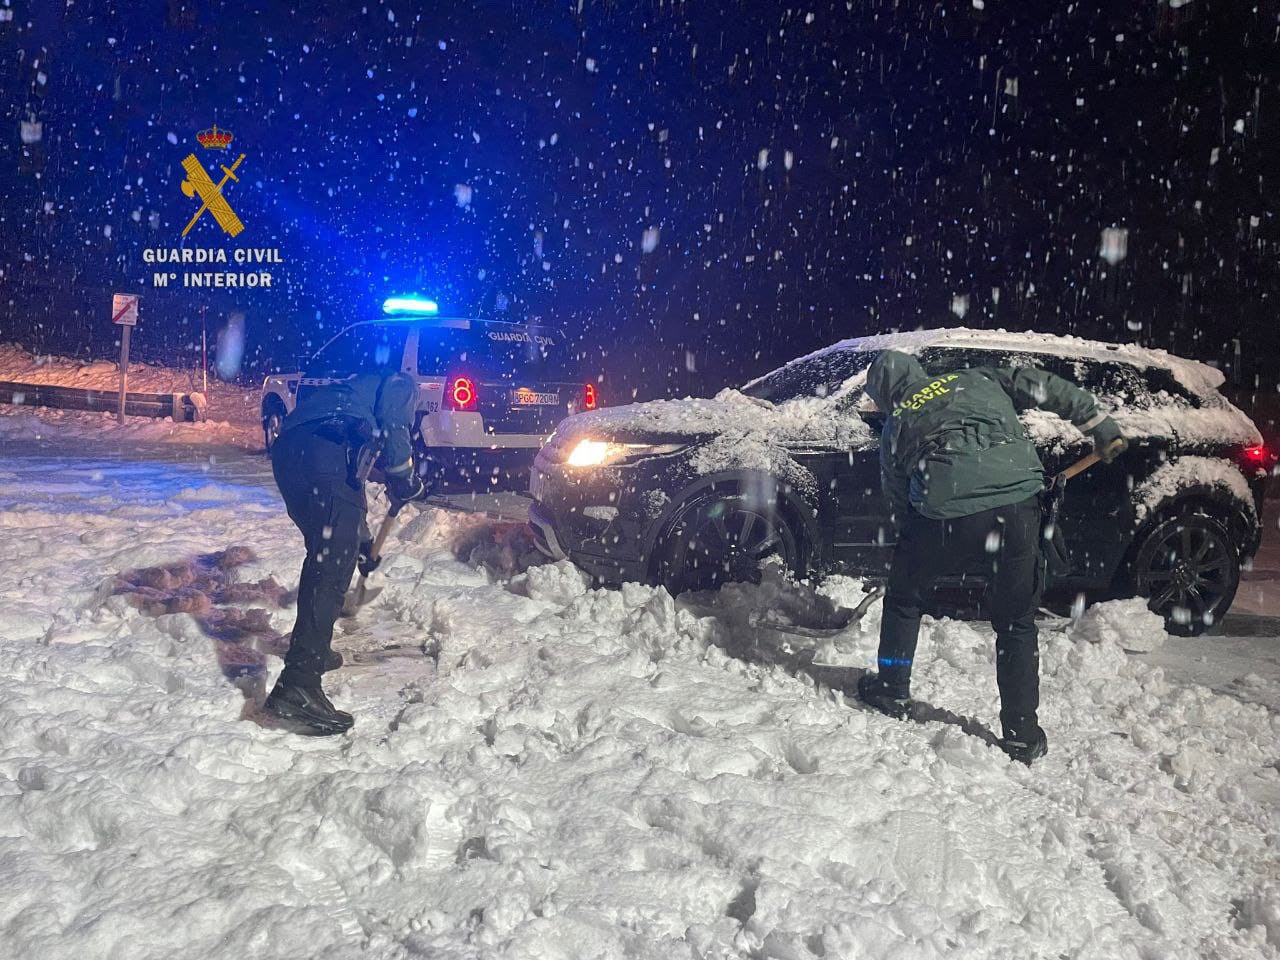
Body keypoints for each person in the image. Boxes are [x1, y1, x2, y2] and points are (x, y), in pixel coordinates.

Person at [856, 349, 1126, 764]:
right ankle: (1021, 734)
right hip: (1016, 507)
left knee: (904, 600)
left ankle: (892, 688)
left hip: (942, 515)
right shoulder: (976, 378)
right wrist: (1097, 422)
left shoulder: (896, 424)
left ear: (885, 393)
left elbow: (897, 499)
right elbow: (1041, 385)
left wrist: (910, 546)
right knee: (1016, 622)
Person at [265, 365, 428, 735]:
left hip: (290, 454)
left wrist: (363, 542)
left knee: (324, 555)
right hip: (323, 447)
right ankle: (298, 686)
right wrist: (404, 477)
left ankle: (313, 647)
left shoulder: (347, 398)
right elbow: (395, 424)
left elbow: (349, 491)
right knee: (329, 565)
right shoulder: (400, 382)